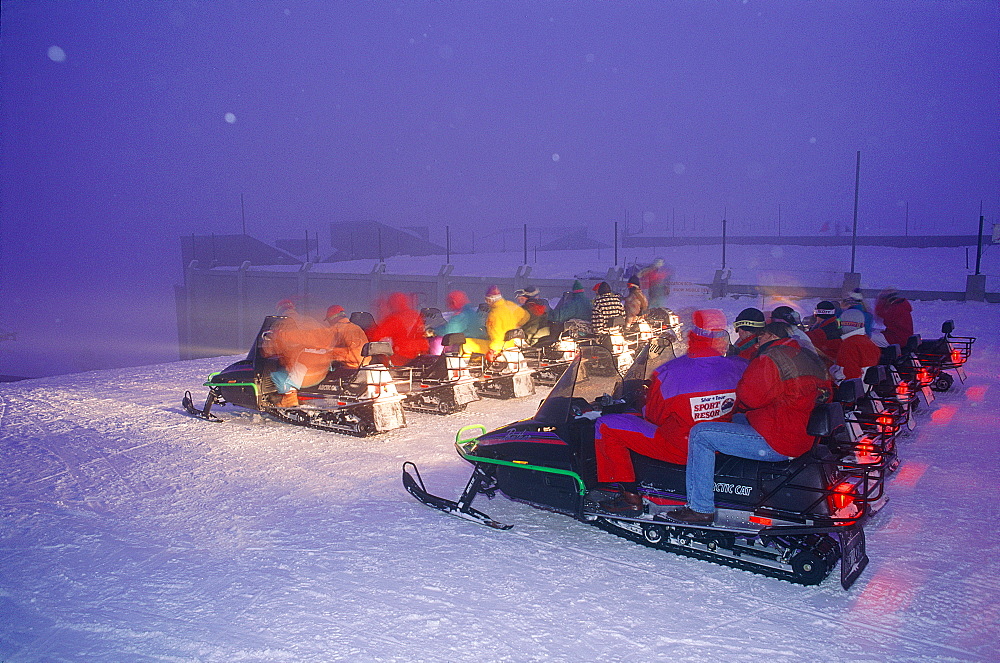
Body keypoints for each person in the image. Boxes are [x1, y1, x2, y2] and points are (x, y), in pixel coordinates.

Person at [665, 321, 833, 524]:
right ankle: (727, 484)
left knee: (701, 434)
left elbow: (749, 398)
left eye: (761, 337)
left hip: (779, 441)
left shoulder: (771, 357)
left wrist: (739, 383)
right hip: (801, 434)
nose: (757, 341)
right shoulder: (805, 355)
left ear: (772, 336)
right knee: (735, 419)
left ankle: (700, 508)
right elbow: (824, 394)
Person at [594, 310, 748, 514]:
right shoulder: (738, 367)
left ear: (693, 335)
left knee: (606, 426)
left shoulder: (670, 372)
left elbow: (654, 417)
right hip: (720, 443)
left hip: (679, 446)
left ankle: (629, 497)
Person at [262, 299, 336, 407]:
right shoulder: (310, 320)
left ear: (280, 311)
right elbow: (326, 337)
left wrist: (266, 348)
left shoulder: (281, 324)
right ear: (293, 308)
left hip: (304, 368)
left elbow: (270, 348)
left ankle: (289, 399)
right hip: (323, 368)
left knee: (277, 375)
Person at [463, 285, 529, 361]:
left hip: (499, 346)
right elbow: (525, 316)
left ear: (489, 300)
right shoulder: (510, 305)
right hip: (511, 343)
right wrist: (515, 325)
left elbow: (497, 336)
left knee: (465, 344)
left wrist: (492, 351)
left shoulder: (494, 314)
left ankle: (463, 369)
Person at [366, 292, 429, 366]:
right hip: (418, 360)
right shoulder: (416, 316)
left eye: (390, 303)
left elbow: (375, 339)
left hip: (399, 362)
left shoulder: (394, 319)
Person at [834, 308, 882, 380]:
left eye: (839, 323)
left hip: (852, 388)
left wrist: (833, 373)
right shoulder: (869, 342)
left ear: (847, 324)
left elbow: (851, 374)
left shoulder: (849, 345)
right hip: (867, 387)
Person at [324, 305, 369, 373]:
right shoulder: (357, 328)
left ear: (333, 318)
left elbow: (327, 347)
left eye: (328, 320)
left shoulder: (337, 329)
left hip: (349, 370)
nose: (329, 323)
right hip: (364, 367)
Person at [806, 300, 842, 367]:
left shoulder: (821, 331)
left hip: (828, 366)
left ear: (816, 313)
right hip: (838, 363)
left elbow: (805, 339)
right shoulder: (837, 325)